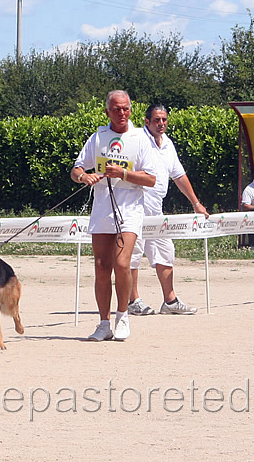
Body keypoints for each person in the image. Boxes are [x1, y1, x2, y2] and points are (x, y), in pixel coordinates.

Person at [71, 90, 156, 341]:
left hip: (129, 209)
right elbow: (76, 169)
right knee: (100, 267)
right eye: (116, 109)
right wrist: (83, 176)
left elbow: (151, 179)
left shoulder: (141, 138)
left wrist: (124, 174)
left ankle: (123, 316)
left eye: (126, 109)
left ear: (131, 110)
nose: (121, 113)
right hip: (102, 209)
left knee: (122, 263)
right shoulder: (98, 137)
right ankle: (103, 323)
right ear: (107, 111)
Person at [127, 104, 209, 317]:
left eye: (164, 119)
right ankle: (132, 300)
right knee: (133, 253)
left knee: (165, 250)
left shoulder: (168, 144)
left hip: (156, 208)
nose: (161, 123)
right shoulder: (137, 139)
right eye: (156, 120)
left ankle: (170, 301)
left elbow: (179, 176)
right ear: (147, 121)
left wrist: (196, 203)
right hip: (135, 205)